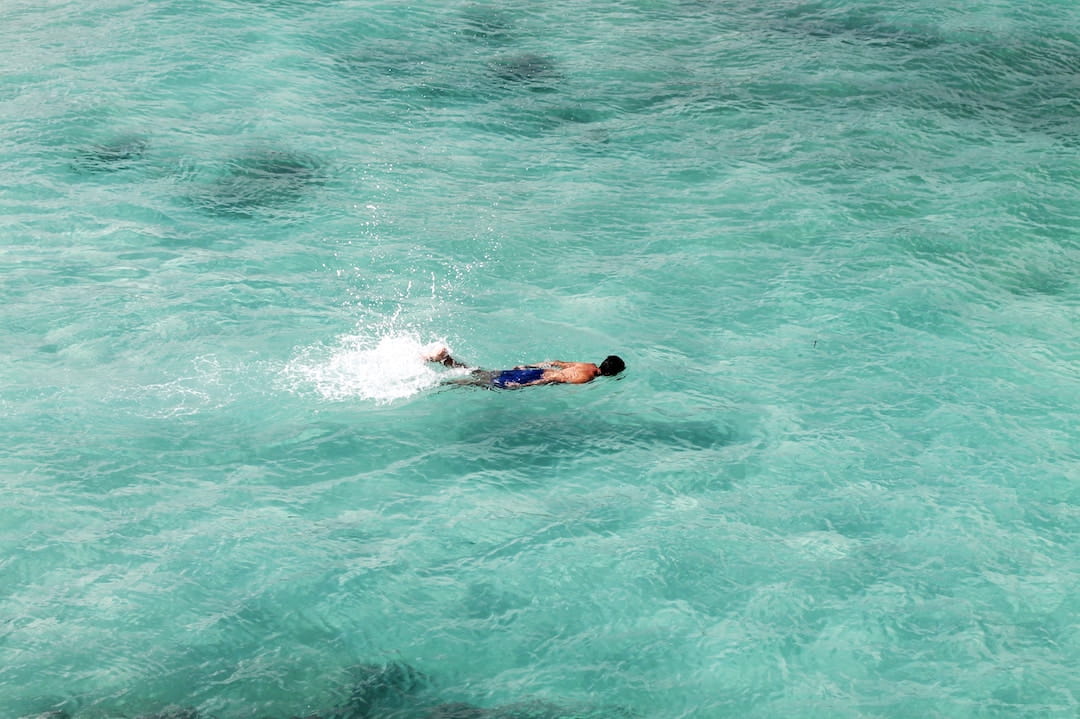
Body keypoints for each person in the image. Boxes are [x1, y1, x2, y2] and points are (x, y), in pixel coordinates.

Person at [421, 344, 625, 389]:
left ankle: (446, 360)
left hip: (533, 370)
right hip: (532, 377)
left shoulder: (587, 365)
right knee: (482, 384)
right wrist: (525, 384)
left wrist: (526, 366)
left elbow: (556, 363)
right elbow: (555, 378)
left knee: (482, 373)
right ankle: (437, 383)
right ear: (610, 373)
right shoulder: (587, 378)